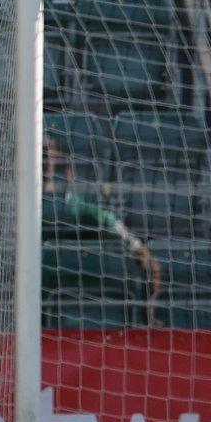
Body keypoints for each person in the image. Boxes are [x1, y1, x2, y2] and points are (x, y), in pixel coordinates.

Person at [42, 135, 162, 327]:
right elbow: (150, 264)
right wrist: (148, 315)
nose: (46, 165)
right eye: (43, 160)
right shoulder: (97, 216)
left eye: (49, 160)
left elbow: (148, 262)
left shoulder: (94, 216)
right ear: (69, 172)